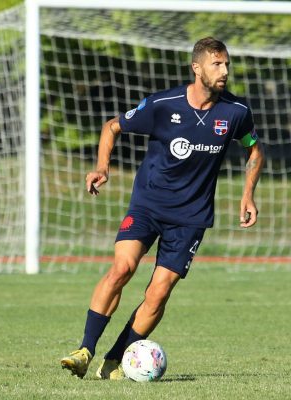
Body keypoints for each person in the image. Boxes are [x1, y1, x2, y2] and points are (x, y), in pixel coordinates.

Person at [60, 37, 264, 379]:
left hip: (190, 218)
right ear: (197, 68)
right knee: (122, 268)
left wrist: (248, 195)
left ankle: (115, 359)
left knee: (158, 293)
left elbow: (254, 149)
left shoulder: (236, 112)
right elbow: (112, 126)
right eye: (217, 64)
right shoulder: (162, 104)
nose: (225, 70)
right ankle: (84, 350)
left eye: (227, 64)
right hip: (148, 205)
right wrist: (102, 167)